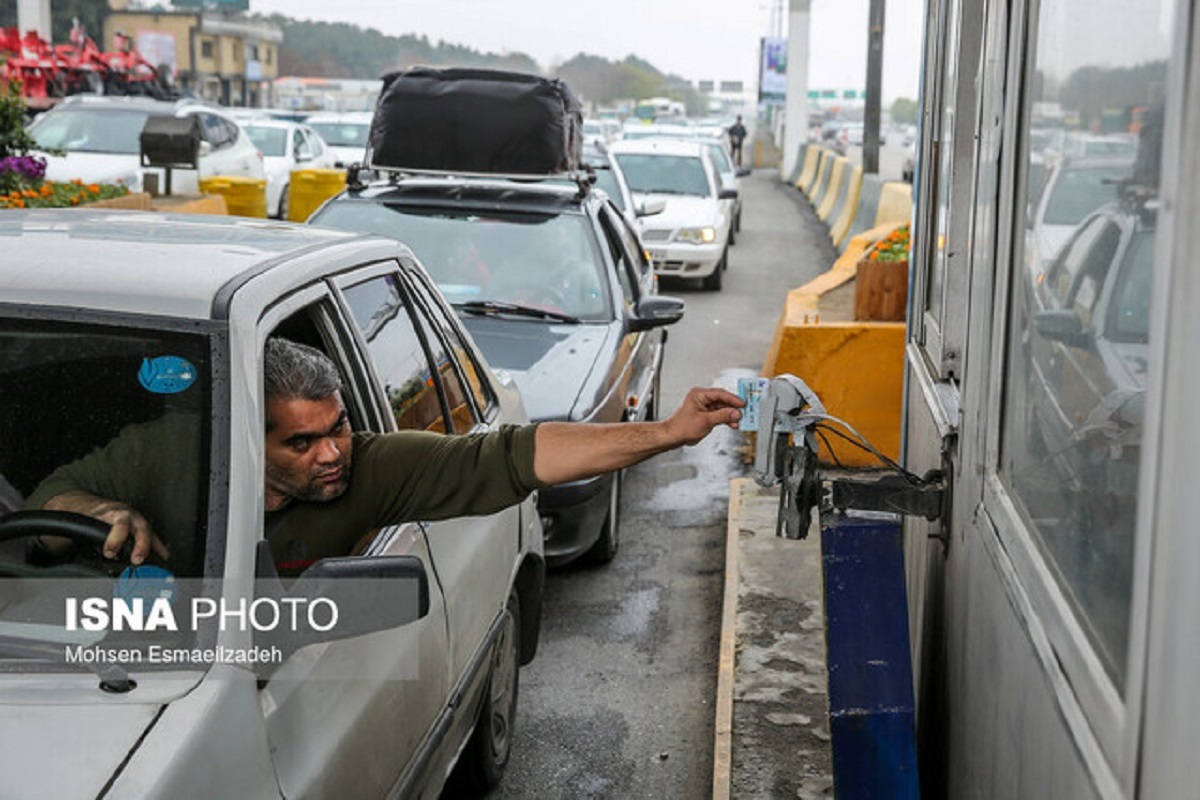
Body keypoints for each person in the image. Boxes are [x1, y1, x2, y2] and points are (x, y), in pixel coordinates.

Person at [27, 338, 744, 576]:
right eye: (301, 443)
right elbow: (51, 503)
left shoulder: (375, 467)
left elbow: (523, 455)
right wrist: (97, 511)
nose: (333, 453)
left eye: (336, 428)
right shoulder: (166, 454)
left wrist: (670, 432)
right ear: (248, 439)